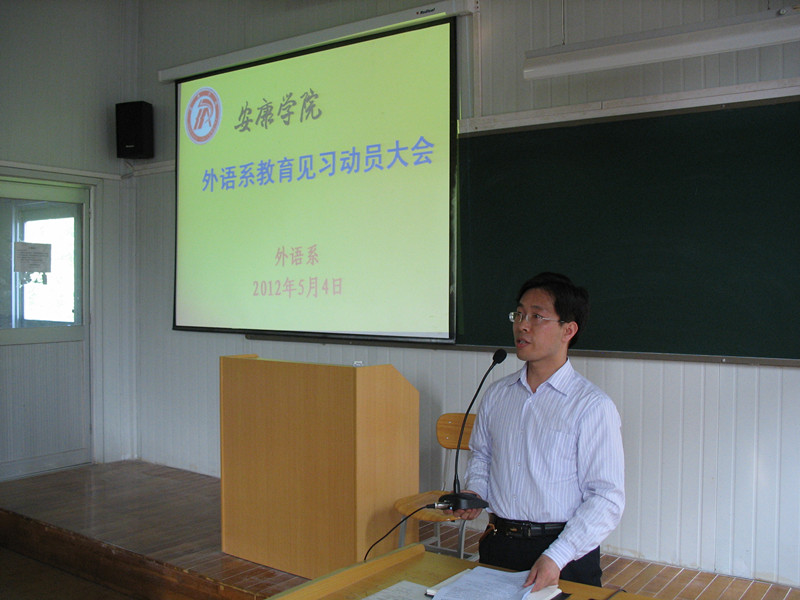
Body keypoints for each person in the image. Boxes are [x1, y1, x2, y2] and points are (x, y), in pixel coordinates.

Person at [453, 272, 625, 592]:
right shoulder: (498, 394)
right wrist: (476, 491)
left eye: (536, 316)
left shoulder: (592, 406)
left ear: (568, 330)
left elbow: (606, 498)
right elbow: (482, 455)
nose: (522, 325)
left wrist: (556, 556)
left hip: (564, 555)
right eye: (519, 314)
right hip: (499, 545)